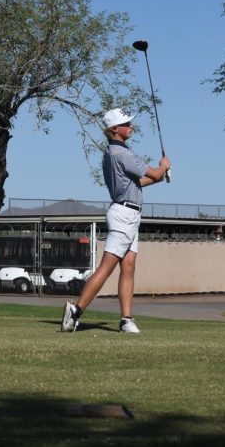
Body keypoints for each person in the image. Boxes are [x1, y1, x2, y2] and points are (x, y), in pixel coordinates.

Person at [61, 108, 171, 334]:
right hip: (124, 215)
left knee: (128, 267)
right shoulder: (123, 154)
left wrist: (160, 176)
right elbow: (154, 173)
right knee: (107, 267)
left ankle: (126, 320)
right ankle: (76, 311)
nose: (131, 126)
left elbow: (139, 183)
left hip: (129, 214)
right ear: (114, 129)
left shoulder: (114, 153)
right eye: (126, 123)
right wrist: (164, 167)